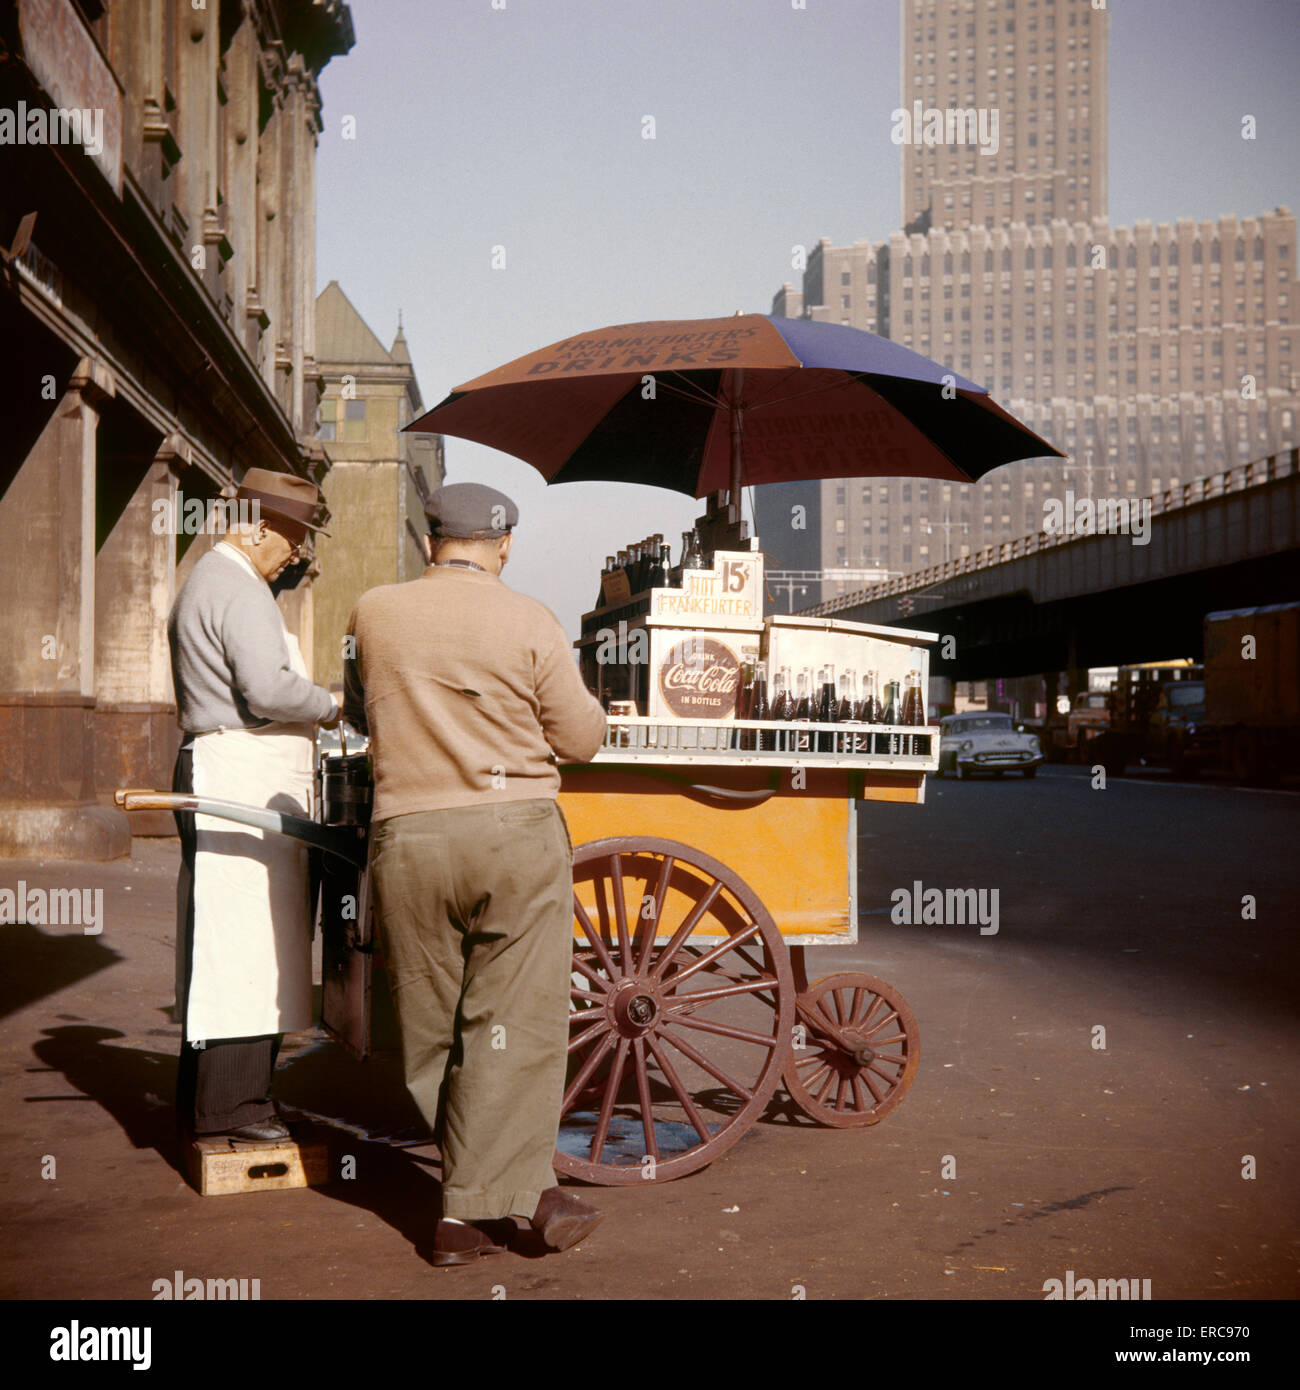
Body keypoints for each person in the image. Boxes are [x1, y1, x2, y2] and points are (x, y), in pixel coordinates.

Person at [344, 482, 607, 1267]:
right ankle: (510, 1201)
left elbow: (360, 712)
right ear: (503, 546)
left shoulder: (373, 611)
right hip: (512, 839)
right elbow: (582, 738)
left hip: (409, 837)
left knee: (433, 1033)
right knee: (513, 1027)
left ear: (431, 542)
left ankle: (470, 1213)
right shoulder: (531, 618)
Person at [168, 468, 340, 1143]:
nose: (296, 554)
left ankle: (208, 1104)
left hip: (224, 770)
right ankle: (236, 1112)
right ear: (260, 524)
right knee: (246, 948)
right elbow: (267, 690)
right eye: (295, 538)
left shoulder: (214, 578)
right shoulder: (237, 587)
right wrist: (329, 704)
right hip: (236, 775)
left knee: (222, 944)